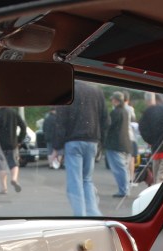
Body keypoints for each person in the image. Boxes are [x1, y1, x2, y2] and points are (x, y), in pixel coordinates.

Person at [49, 80, 107, 216]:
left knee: (75, 181)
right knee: (87, 179)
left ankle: (80, 216)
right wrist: (100, 143)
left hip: (73, 142)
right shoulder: (97, 91)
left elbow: (60, 123)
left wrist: (56, 148)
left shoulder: (67, 93)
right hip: (92, 141)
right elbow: (105, 120)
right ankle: (94, 214)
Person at [104, 91, 132, 198]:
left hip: (115, 144)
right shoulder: (125, 111)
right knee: (123, 168)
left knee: (119, 169)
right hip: (125, 144)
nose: (111, 101)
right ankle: (125, 189)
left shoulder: (115, 112)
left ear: (116, 101)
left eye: (112, 99)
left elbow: (107, 125)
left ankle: (123, 190)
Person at [0, 107, 27, 193]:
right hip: (12, 143)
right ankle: (14, 179)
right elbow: (23, 126)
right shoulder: (14, 113)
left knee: (2, 167)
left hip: (0, 145)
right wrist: (20, 139)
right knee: (14, 164)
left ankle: (4, 189)